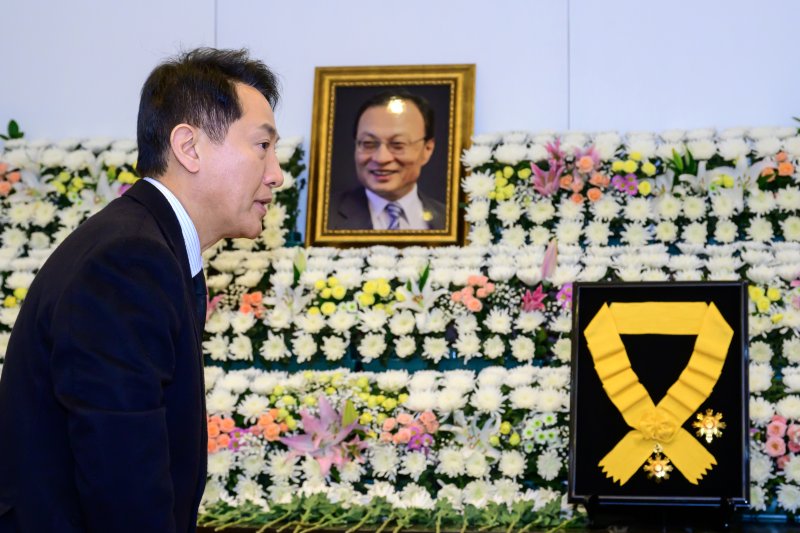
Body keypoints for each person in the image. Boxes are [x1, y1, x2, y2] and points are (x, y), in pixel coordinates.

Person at [0, 48, 283, 532]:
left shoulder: (143, 242)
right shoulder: (129, 260)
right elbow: (122, 480)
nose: (277, 174)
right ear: (189, 147)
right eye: (262, 146)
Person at [328, 90, 446, 230]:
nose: (381, 158)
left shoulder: (452, 221)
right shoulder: (324, 217)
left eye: (397, 145)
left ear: (427, 149)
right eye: (368, 144)